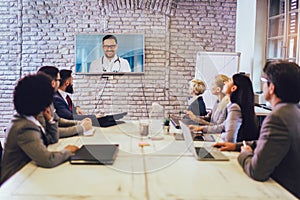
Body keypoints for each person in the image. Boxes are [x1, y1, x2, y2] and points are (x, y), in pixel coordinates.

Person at [214, 61, 300, 198]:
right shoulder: (294, 112)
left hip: (281, 193)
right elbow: (268, 142)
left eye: (264, 81)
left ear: (271, 88)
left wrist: (244, 153)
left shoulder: (277, 118)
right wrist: (236, 146)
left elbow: (256, 171)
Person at [0, 74, 79, 185]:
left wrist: (50, 120)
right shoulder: (25, 127)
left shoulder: (27, 119)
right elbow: (47, 160)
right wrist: (67, 151)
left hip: (27, 175)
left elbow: (52, 139)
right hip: (15, 183)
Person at [190, 73, 259, 142]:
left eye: (229, 81)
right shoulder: (230, 105)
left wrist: (220, 135)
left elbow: (229, 137)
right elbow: (222, 126)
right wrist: (200, 128)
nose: (225, 83)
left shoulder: (234, 107)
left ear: (233, 88)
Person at [37, 66, 92, 138]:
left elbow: (58, 120)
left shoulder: (47, 99)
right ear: (53, 83)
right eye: (59, 80)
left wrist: (79, 122)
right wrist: (81, 128)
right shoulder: (38, 102)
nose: (60, 83)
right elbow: (48, 132)